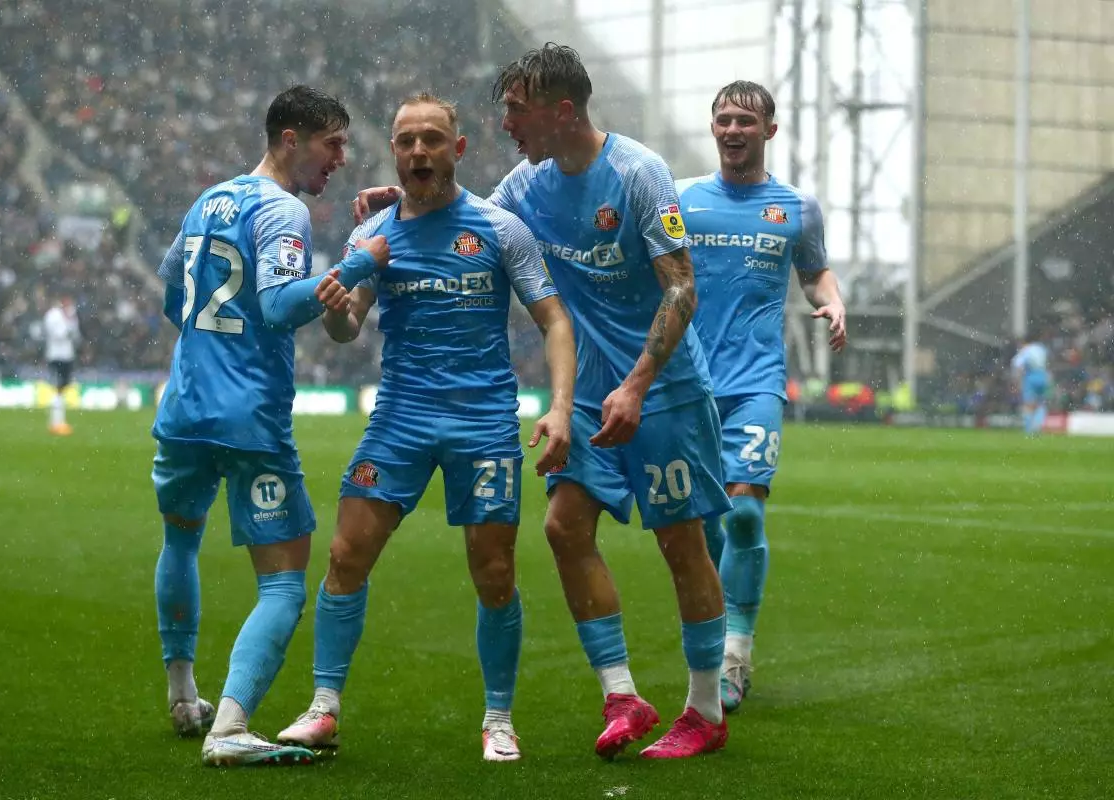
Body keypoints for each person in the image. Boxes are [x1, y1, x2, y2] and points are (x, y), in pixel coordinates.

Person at [354, 44, 732, 760]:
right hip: (587, 395)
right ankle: (622, 695)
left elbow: (682, 287)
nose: (506, 124)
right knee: (564, 528)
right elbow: (464, 218)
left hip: (664, 390)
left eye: (516, 110)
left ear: (562, 112)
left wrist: (637, 384)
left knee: (681, 545)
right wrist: (401, 201)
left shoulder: (638, 173)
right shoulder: (525, 184)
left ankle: (705, 710)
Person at [277, 92, 575, 763]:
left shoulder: (498, 229)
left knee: (493, 572)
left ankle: (498, 719)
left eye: (432, 139)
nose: (419, 151)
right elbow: (346, 328)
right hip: (400, 419)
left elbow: (554, 319)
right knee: (345, 555)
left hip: (483, 422)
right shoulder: (372, 235)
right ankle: (323, 707)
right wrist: (336, 307)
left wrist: (560, 408)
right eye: (407, 140)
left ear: (457, 149)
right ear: (394, 150)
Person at [151, 85, 389, 767]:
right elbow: (282, 307)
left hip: (184, 408)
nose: (339, 159)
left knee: (181, 540)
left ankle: (182, 696)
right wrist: (361, 262)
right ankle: (229, 727)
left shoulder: (209, 200)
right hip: (248, 417)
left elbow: (172, 289)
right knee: (283, 582)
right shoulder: (283, 209)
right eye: (332, 144)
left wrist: (211, 346)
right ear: (291, 139)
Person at [676, 80, 847, 713]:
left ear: (769, 130)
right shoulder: (680, 199)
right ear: (712, 128)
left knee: (745, 514)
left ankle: (735, 656)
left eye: (745, 121)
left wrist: (833, 301)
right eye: (723, 119)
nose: (733, 129)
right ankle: (722, 629)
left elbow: (815, 270)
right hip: (687, 385)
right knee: (704, 527)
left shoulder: (796, 207)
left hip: (756, 382)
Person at [43, 295, 80, 435]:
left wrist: (70, 321)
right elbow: (58, 334)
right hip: (56, 356)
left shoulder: (70, 314)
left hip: (67, 355)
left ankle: (58, 422)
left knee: (62, 388)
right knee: (57, 388)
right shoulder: (52, 316)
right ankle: (56, 422)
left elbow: (75, 334)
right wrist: (68, 322)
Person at [1011, 335, 1051, 435]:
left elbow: (1018, 365)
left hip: (1031, 377)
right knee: (1041, 403)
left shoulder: (1025, 350)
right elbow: (1047, 362)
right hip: (1043, 376)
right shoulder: (1041, 348)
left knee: (1028, 405)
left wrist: (1017, 381)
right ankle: (1038, 427)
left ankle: (1029, 430)